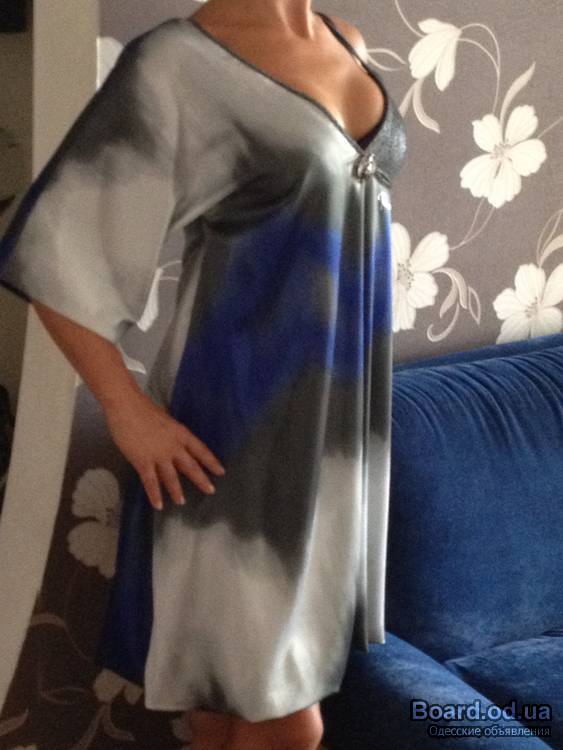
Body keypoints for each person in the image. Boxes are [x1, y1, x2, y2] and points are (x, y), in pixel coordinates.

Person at [0, 1, 407, 748]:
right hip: (234, 438)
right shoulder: (179, 64)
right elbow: (60, 244)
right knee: (288, 723)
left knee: (227, 708)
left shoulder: (344, 40)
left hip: (330, 441)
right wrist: (125, 409)